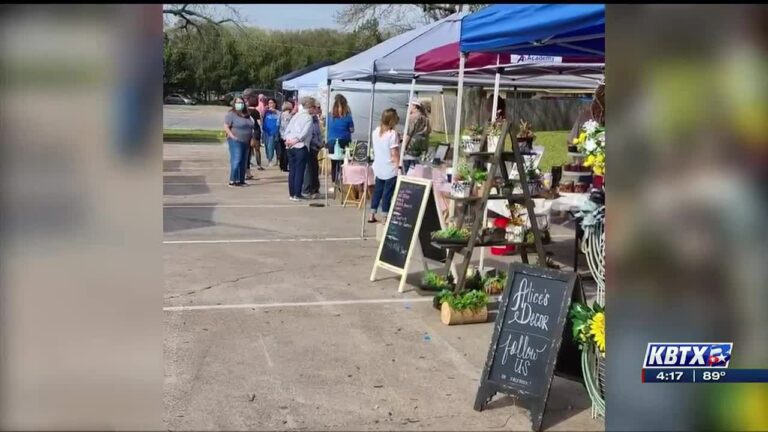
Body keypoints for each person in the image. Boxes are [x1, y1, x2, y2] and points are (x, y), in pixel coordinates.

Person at [369, 108, 401, 223]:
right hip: (390, 168)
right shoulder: (392, 134)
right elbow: (394, 153)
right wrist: (399, 166)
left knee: (377, 191)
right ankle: (385, 216)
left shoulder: (375, 132)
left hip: (378, 166)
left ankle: (372, 213)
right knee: (387, 193)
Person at [283, 97, 316, 201]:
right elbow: (304, 133)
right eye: (314, 107)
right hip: (300, 146)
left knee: (292, 170)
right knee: (299, 170)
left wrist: (287, 140)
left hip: (290, 146)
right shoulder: (308, 118)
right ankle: (297, 193)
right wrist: (295, 140)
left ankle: (292, 193)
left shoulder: (296, 115)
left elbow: (287, 129)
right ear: (310, 107)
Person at [223, 97, 254, 187]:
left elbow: (251, 127)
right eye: (238, 102)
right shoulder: (231, 114)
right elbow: (226, 126)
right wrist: (232, 136)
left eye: (241, 102)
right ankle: (233, 180)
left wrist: (252, 138)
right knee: (236, 160)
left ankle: (241, 180)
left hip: (246, 141)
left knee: (243, 161)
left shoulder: (247, 115)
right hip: (236, 141)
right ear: (234, 104)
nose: (240, 104)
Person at [327, 94, 355, 183]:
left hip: (331, 141)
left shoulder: (329, 116)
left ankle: (334, 182)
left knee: (334, 163)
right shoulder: (347, 117)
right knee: (344, 163)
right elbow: (352, 129)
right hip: (345, 141)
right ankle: (343, 181)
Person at [401, 98, 431, 175]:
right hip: (421, 148)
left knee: (404, 172)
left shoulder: (412, 117)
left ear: (414, 106)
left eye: (409, 106)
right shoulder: (425, 118)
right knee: (420, 173)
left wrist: (403, 147)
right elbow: (428, 131)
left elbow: (408, 134)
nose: (408, 108)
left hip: (411, 147)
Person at [302, 103, 323, 199]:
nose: (319, 109)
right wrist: (319, 144)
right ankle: (306, 190)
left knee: (315, 168)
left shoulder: (316, 120)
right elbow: (311, 135)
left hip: (315, 147)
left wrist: (321, 142)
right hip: (309, 147)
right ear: (312, 108)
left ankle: (315, 189)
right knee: (309, 169)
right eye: (317, 108)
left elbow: (318, 134)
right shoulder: (308, 119)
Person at [243, 89, 264, 173]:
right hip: (254, 131)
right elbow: (259, 123)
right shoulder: (254, 111)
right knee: (256, 149)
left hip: (251, 132)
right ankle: (257, 165)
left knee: (249, 151)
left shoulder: (245, 110)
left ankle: (248, 170)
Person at [262, 98, 281, 167]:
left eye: (272, 103)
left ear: (275, 104)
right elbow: (262, 118)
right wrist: (264, 110)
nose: (271, 104)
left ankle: (278, 160)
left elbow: (281, 119)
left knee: (277, 146)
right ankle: (269, 160)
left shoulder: (278, 112)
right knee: (268, 146)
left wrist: (275, 111)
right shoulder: (266, 112)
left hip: (276, 131)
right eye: (269, 103)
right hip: (267, 132)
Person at [277, 101, 293, 172]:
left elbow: (278, 124)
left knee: (282, 151)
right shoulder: (290, 115)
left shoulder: (281, 114)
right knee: (287, 151)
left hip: (281, 134)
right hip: (288, 135)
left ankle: (281, 165)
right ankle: (285, 166)